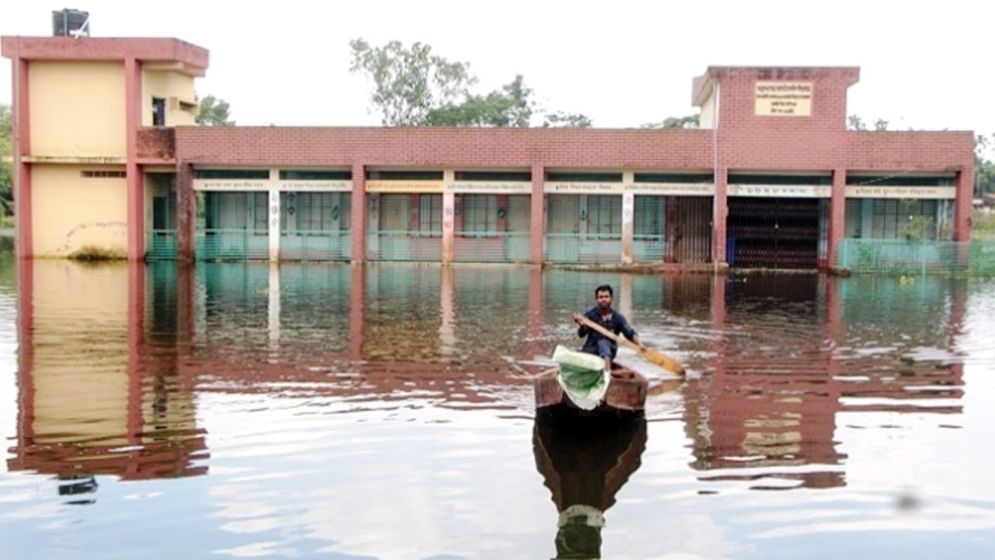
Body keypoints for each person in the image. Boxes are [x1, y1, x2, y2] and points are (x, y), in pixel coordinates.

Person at [572, 284, 644, 377]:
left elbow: (630, 333)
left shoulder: (618, 318)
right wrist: (582, 326)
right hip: (590, 350)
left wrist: (640, 345)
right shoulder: (590, 314)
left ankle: (607, 373)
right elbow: (581, 334)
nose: (603, 299)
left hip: (608, 352)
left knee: (603, 343)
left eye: (606, 297)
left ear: (611, 298)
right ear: (596, 299)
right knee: (573, 357)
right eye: (600, 297)